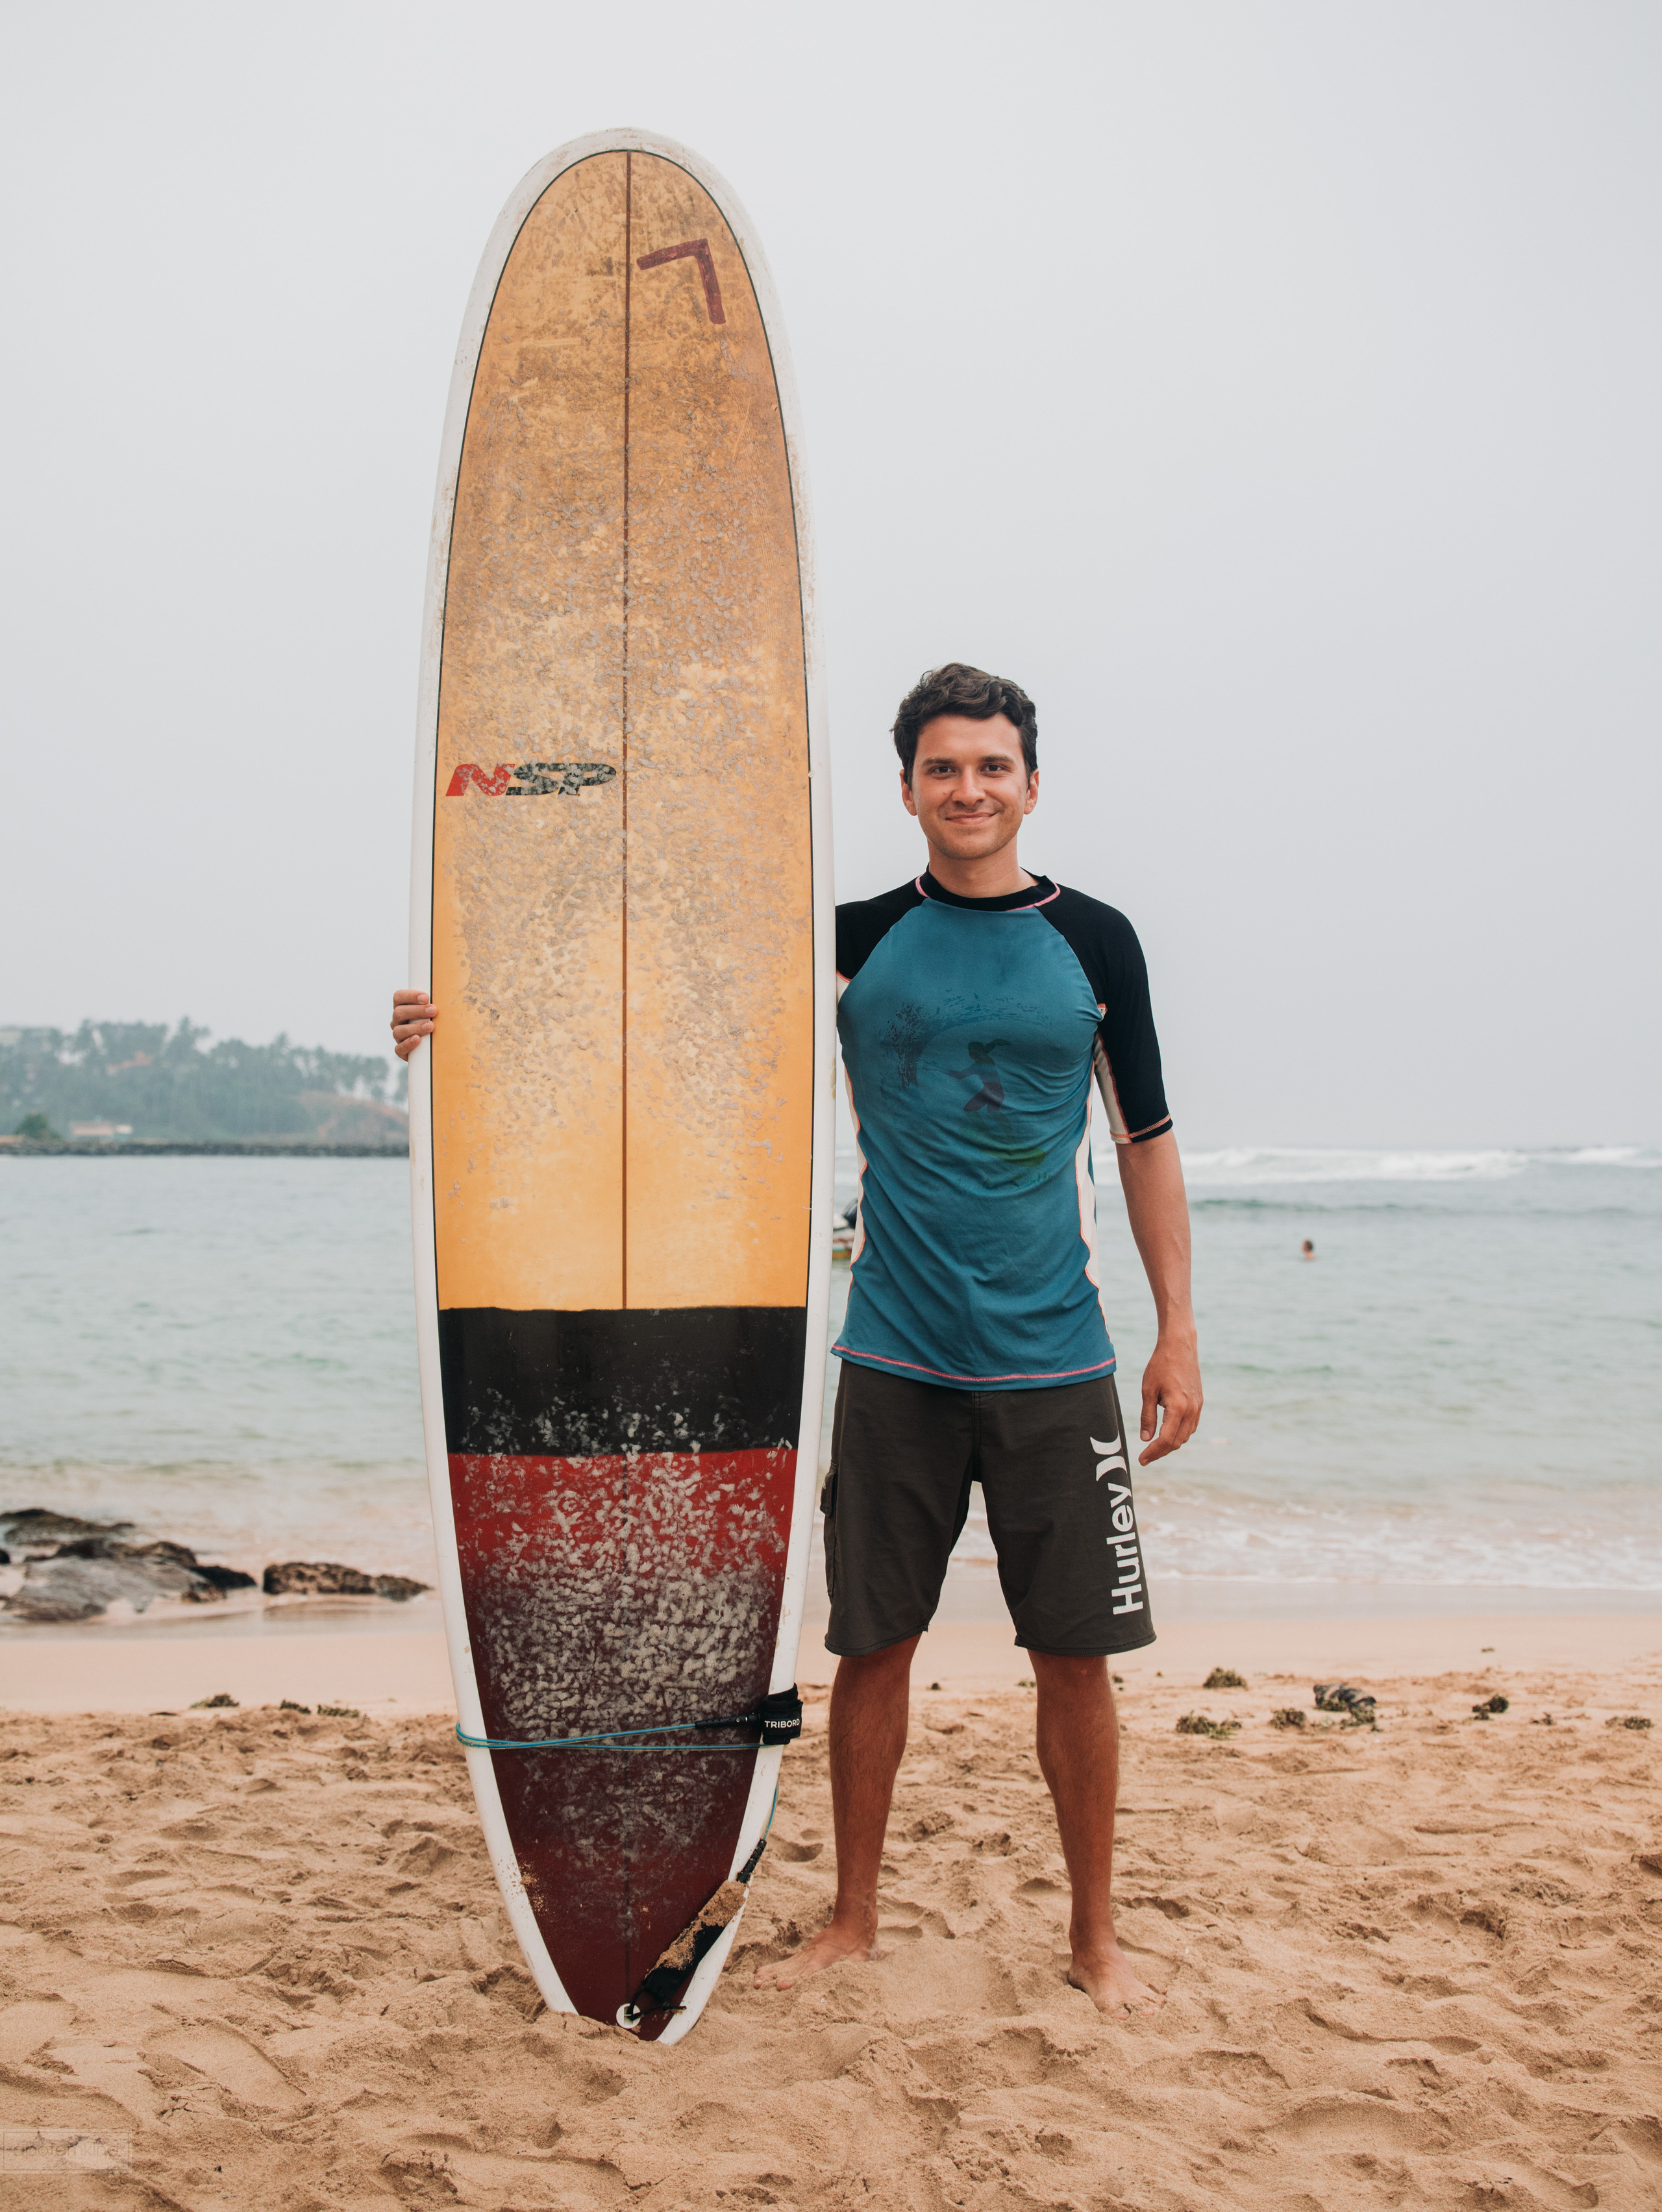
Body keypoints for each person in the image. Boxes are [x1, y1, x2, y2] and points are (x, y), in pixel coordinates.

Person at [390, 661, 1202, 2019]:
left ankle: (1094, 1938)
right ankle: (854, 1916)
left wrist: (1177, 1329)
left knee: (1076, 1657)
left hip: (1059, 1361)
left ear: (1031, 785)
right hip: (891, 1355)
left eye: (991, 767)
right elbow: (657, 1017)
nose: (968, 789)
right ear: (907, 790)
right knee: (870, 1646)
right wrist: (463, 1022)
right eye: (942, 768)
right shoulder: (852, 939)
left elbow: (1146, 1140)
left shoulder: (1097, 943)